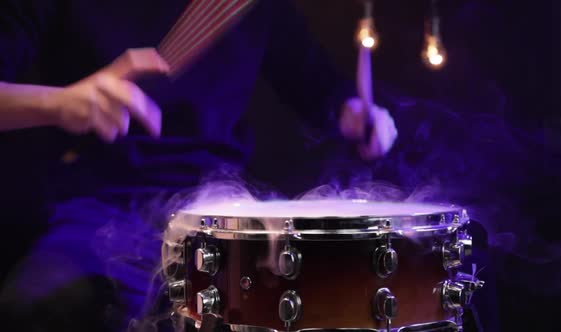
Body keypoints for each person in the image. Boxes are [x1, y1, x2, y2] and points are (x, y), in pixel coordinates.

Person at [0, 0, 397, 331]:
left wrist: (354, 112)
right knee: (37, 307)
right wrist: (61, 103)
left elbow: (313, 79)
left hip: (222, 208)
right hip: (97, 207)